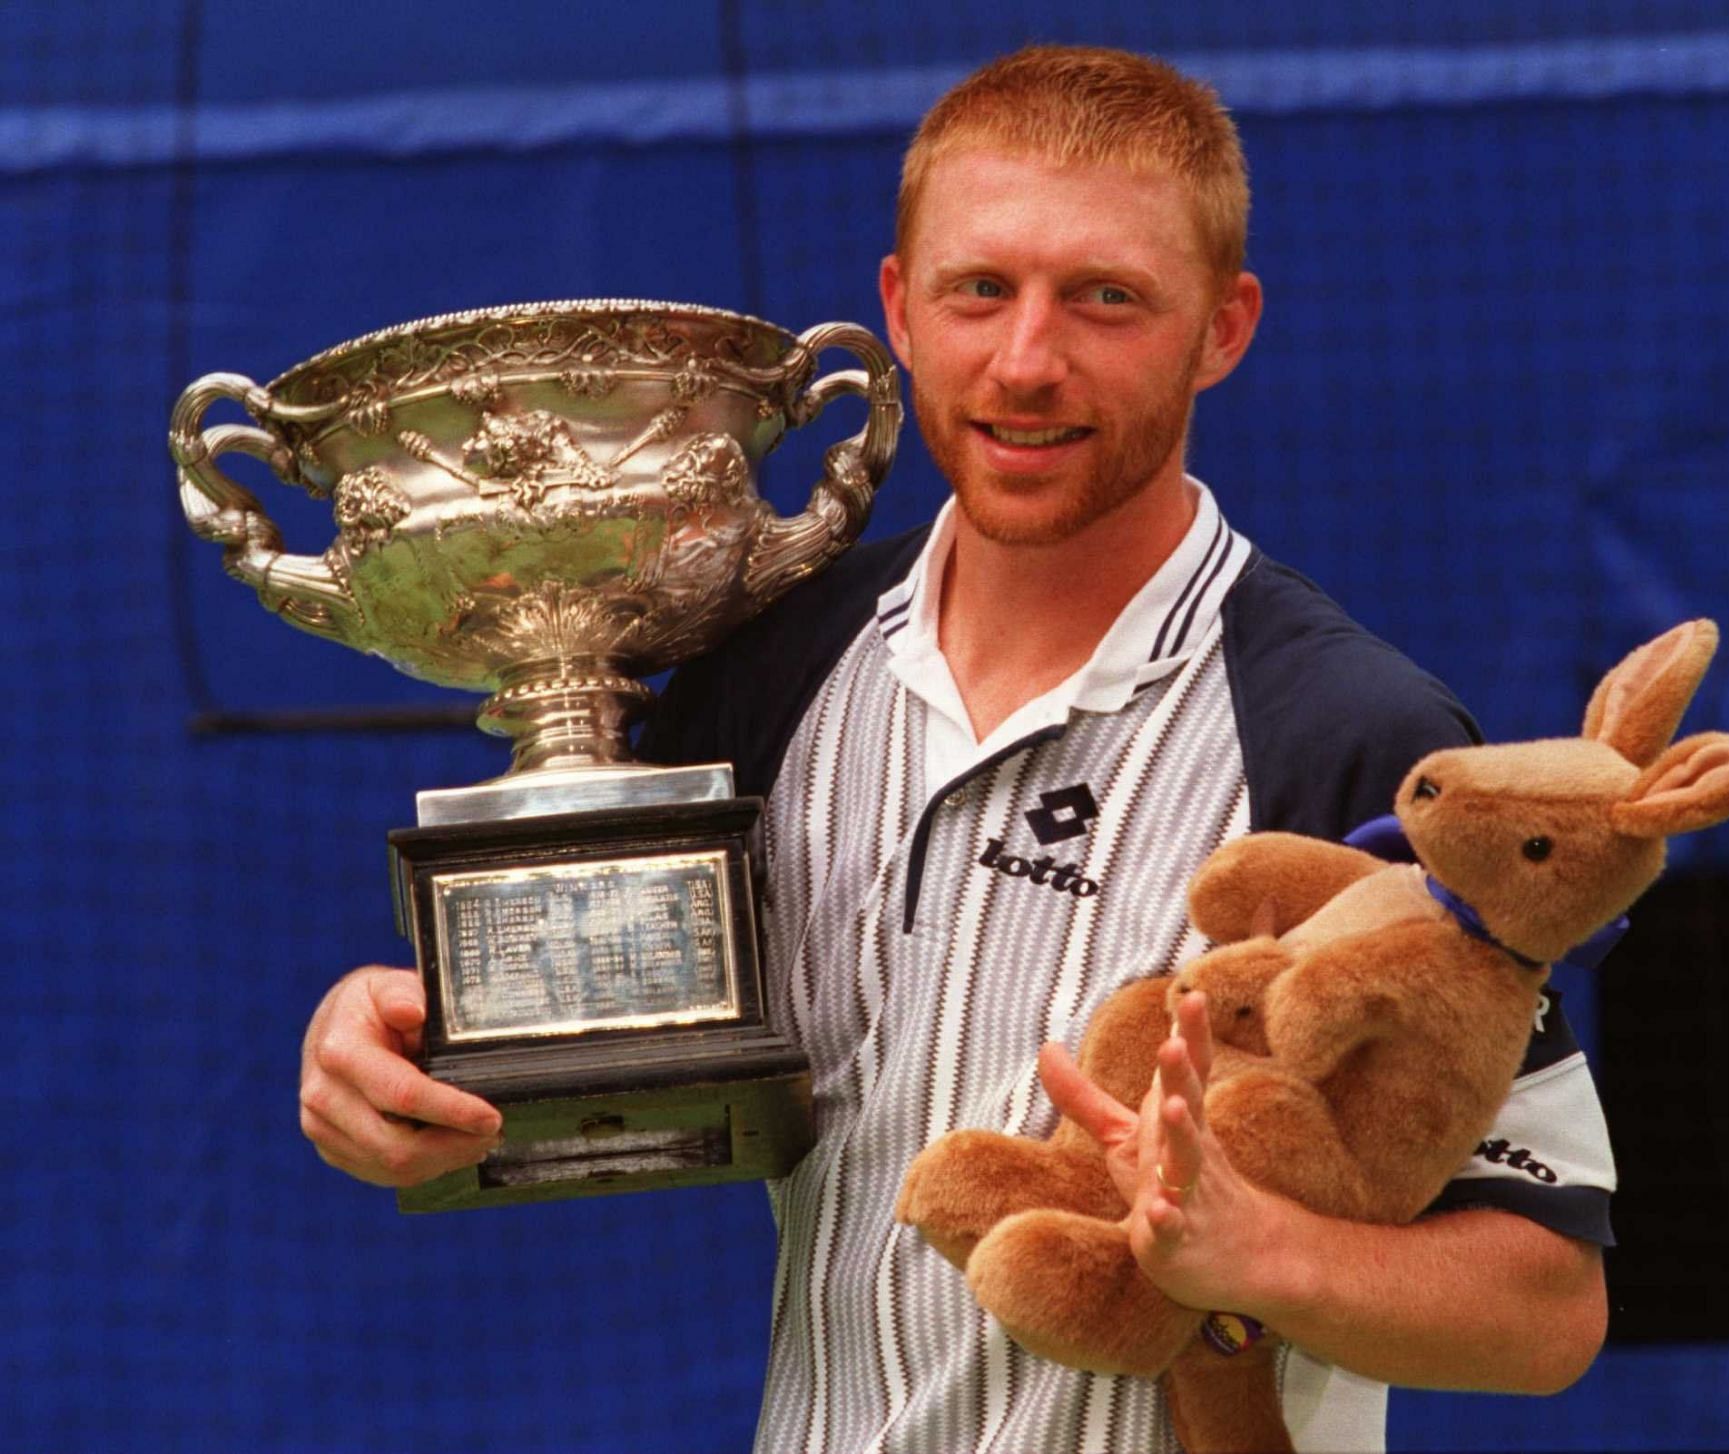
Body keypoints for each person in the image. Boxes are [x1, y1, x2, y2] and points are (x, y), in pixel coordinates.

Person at [298, 45, 1612, 1453]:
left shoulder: (1347, 735)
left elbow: (1548, 1302)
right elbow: (606, 1053)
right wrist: (396, 1054)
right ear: (898, 310)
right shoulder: (771, 672)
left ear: (1222, 330)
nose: (1028, 361)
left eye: (1107, 298)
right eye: (980, 289)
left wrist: (1257, 1253)